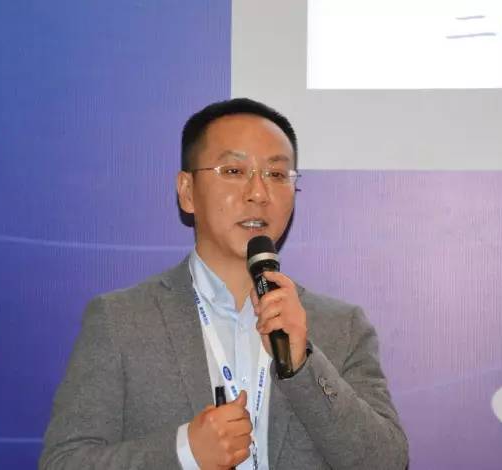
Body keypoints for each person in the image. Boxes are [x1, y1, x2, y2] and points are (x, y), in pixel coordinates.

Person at [39, 98, 409, 469]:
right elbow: (63, 463)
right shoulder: (121, 320)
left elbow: (387, 463)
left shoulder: (341, 326)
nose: (258, 193)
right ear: (187, 191)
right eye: (233, 170)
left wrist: (303, 365)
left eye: (276, 174)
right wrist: (185, 451)